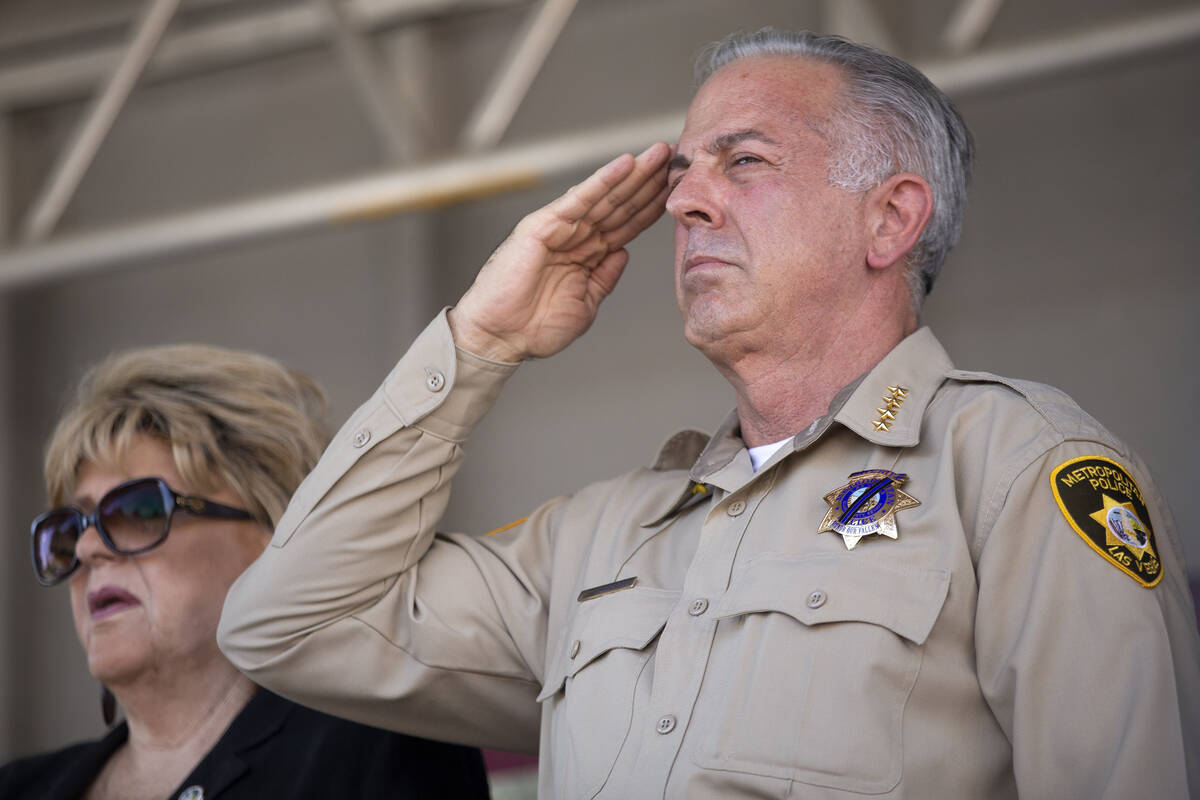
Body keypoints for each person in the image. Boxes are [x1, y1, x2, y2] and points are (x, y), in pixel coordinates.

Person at [218, 28, 1200, 799]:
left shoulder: (1018, 468)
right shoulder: (599, 538)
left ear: (890, 219)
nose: (686, 203)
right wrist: (480, 340)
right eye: (684, 172)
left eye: (745, 162)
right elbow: (287, 621)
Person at [0, 345, 490, 799]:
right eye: (70, 527)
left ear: (273, 536)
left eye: (140, 511)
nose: (86, 549)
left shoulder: (381, 747)